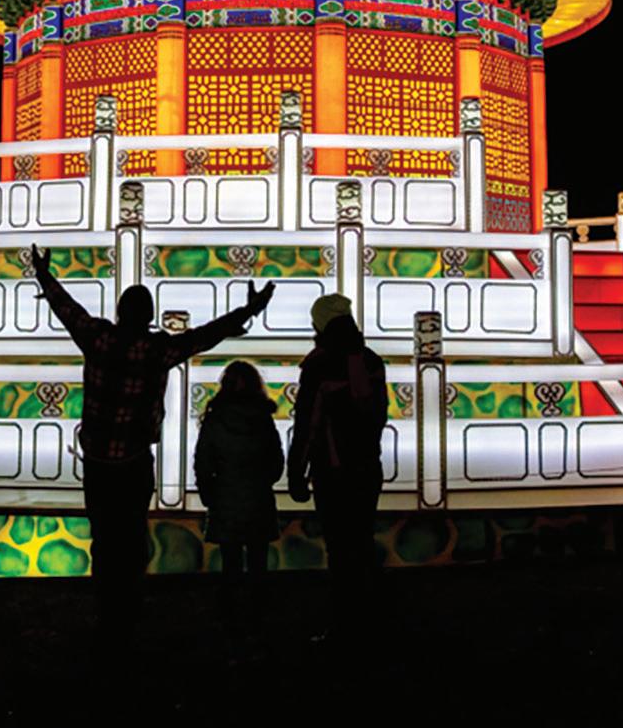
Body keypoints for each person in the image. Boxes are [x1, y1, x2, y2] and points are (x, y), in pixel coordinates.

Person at [30, 243, 275, 633]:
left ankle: (107, 610)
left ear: (119, 312)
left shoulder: (97, 338)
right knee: (132, 535)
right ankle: (130, 606)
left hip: (97, 463)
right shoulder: (157, 349)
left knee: (103, 537)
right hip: (134, 461)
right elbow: (205, 336)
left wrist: (44, 274)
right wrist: (248, 311)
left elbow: (67, 308)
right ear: (149, 318)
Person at [287, 293, 387, 639]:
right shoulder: (371, 361)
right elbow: (379, 416)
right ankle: (369, 622)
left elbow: (307, 423)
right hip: (367, 468)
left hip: (333, 473)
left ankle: (345, 624)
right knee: (362, 542)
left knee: (340, 549)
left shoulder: (319, 364)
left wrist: (296, 472)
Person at [193, 360, 284, 614]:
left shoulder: (215, 420)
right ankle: (258, 609)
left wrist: (208, 494)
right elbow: (276, 461)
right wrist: (262, 481)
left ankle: (229, 610)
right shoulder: (263, 419)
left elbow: (203, 462)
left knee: (230, 560)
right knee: (258, 558)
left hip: (225, 497)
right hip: (258, 496)